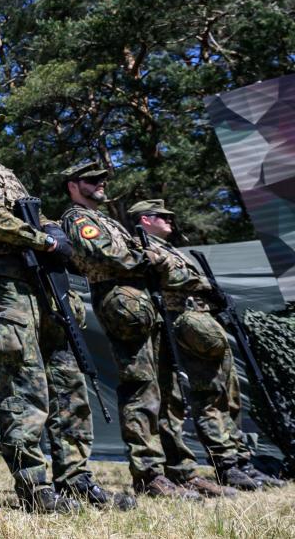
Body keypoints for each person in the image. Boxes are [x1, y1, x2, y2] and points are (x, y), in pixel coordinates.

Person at [0, 106, 128, 513]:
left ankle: (76, 478)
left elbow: (38, 217)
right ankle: (35, 485)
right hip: (4, 279)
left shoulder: (5, 171)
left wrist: (56, 229)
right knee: (23, 379)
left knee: (67, 380)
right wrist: (42, 240)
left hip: (41, 280)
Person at [60, 164, 234, 502]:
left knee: (169, 391)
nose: (101, 184)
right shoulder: (78, 218)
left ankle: (181, 471)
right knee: (141, 389)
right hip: (121, 303)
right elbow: (108, 254)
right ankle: (149, 473)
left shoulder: (107, 219)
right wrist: (150, 256)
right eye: (92, 180)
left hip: (145, 304)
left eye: (102, 179)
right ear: (73, 186)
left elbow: (144, 259)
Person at [130, 199, 285, 491]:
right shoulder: (143, 246)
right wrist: (204, 285)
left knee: (229, 393)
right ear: (145, 220)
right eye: (162, 216)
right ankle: (226, 463)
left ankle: (240, 459)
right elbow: (171, 277)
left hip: (202, 323)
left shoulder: (170, 249)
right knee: (210, 393)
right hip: (184, 324)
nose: (169, 220)